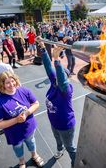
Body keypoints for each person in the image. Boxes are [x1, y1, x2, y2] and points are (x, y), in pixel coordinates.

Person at [0, 71, 44, 168]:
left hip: (29, 127)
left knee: (31, 142)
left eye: (13, 81)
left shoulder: (24, 90)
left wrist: (27, 113)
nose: (11, 84)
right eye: (7, 82)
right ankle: (22, 162)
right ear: (2, 85)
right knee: (18, 147)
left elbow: (36, 104)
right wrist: (16, 120)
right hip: (14, 133)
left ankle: (34, 155)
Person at [38, 38, 77, 167]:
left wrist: (57, 59)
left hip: (66, 126)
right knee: (57, 140)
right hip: (54, 122)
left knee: (70, 147)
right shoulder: (54, 83)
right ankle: (60, 150)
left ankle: (75, 162)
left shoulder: (66, 90)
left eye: (61, 77)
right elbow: (48, 67)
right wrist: (43, 47)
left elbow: (62, 80)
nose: (57, 78)